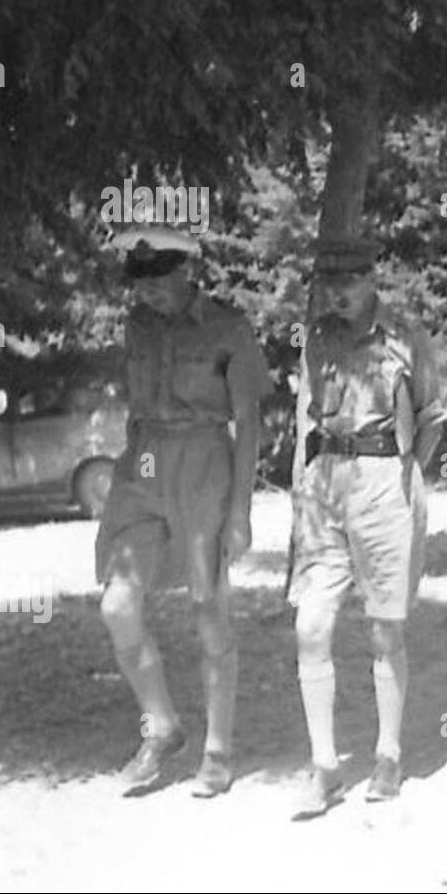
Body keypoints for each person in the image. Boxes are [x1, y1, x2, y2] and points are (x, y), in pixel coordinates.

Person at [97, 224, 271, 798]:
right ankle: (162, 725)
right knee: (118, 604)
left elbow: (248, 423)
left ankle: (217, 749)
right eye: (139, 284)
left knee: (207, 605)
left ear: (184, 272)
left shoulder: (228, 327)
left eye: (157, 282)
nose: (146, 294)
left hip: (204, 461)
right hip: (144, 460)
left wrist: (241, 509)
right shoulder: (138, 326)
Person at [286, 235, 447, 818]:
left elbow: (433, 417)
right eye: (329, 281)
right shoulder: (317, 340)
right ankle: (325, 766)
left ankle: (387, 753)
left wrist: (410, 480)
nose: (339, 291)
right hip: (324, 483)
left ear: (372, 279)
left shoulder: (408, 337)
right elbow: (307, 419)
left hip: (385, 478)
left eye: (350, 279)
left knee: (385, 630)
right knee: (311, 625)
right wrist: (301, 492)